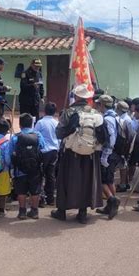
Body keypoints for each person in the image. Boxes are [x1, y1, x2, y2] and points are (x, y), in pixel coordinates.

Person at [51, 84, 103, 224]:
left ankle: (62, 211)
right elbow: (103, 136)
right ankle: (82, 212)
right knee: (87, 181)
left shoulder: (69, 112)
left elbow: (59, 132)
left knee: (66, 180)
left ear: (77, 96)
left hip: (71, 152)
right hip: (91, 154)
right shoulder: (96, 114)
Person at [5, 113, 45, 220]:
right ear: (32, 123)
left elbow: (9, 154)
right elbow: (43, 147)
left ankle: (22, 212)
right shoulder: (38, 135)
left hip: (19, 169)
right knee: (35, 190)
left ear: (20, 124)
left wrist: (11, 166)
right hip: (35, 168)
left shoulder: (15, 137)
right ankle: (34, 211)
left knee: (21, 191)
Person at [95, 95, 121, 220]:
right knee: (109, 180)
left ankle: (112, 200)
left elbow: (111, 138)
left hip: (108, 153)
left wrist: (104, 156)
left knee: (102, 180)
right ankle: (111, 206)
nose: (97, 106)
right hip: (114, 153)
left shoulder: (108, 119)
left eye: (98, 104)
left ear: (102, 105)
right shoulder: (115, 116)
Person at [34, 102, 59, 206]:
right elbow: (60, 138)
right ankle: (50, 198)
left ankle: (40, 199)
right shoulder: (56, 123)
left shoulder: (40, 123)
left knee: (40, 175)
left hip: (43, 152)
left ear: (44, 111)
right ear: (55, 112)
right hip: (54, 151)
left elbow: (35, 136)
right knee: (51, 175)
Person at [115, 101, 136, 193]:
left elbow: (130, 134)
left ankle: (123, 184)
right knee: (123, 165)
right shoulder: (124, 118)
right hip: (125, 144)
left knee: (122, 165)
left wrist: (126, 146)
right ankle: (125, 183)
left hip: (124, 145)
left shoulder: (125, 120)